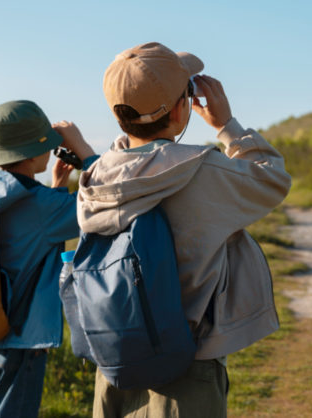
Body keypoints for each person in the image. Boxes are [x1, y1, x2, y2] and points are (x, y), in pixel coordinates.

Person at [76, 42, 292, 417]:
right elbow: (272, 179)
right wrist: (227, 126)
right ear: (181, 109)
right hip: (188, 365)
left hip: (115, 360)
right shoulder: (199, 170)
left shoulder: (96, 177)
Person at [0, 100, 97, 418]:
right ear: (34, 152)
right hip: (21, 337)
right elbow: (108, 201)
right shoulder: (42, 206)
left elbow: (28, 230)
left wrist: (56, 186)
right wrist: (85, 152)